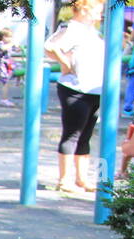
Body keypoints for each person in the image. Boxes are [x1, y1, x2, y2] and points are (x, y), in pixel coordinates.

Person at [45, 0, 107, 193]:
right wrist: (65, 63)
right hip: (76, 88)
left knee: (86, 135)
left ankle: (82, 178)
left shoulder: (93, 31)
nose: (100, 15)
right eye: (97, 10)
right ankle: (64, 180)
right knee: (72, 133)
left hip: (94, 89)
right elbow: (49, 46)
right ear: (84, 9)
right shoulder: (71, 28)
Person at [0, 29, 20, 106]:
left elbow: (17, 50)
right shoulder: (1, 43)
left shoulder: (8, 44)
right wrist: (12, 44)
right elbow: (3, 48)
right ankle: (4, 99)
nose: (9, 39)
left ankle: (18, 81)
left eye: (11, 37)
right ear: (2, 37)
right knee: (5, 82)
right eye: (7, 37)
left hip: (8, 64)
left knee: (18, 68)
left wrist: (17, 46)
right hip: (2, 65)